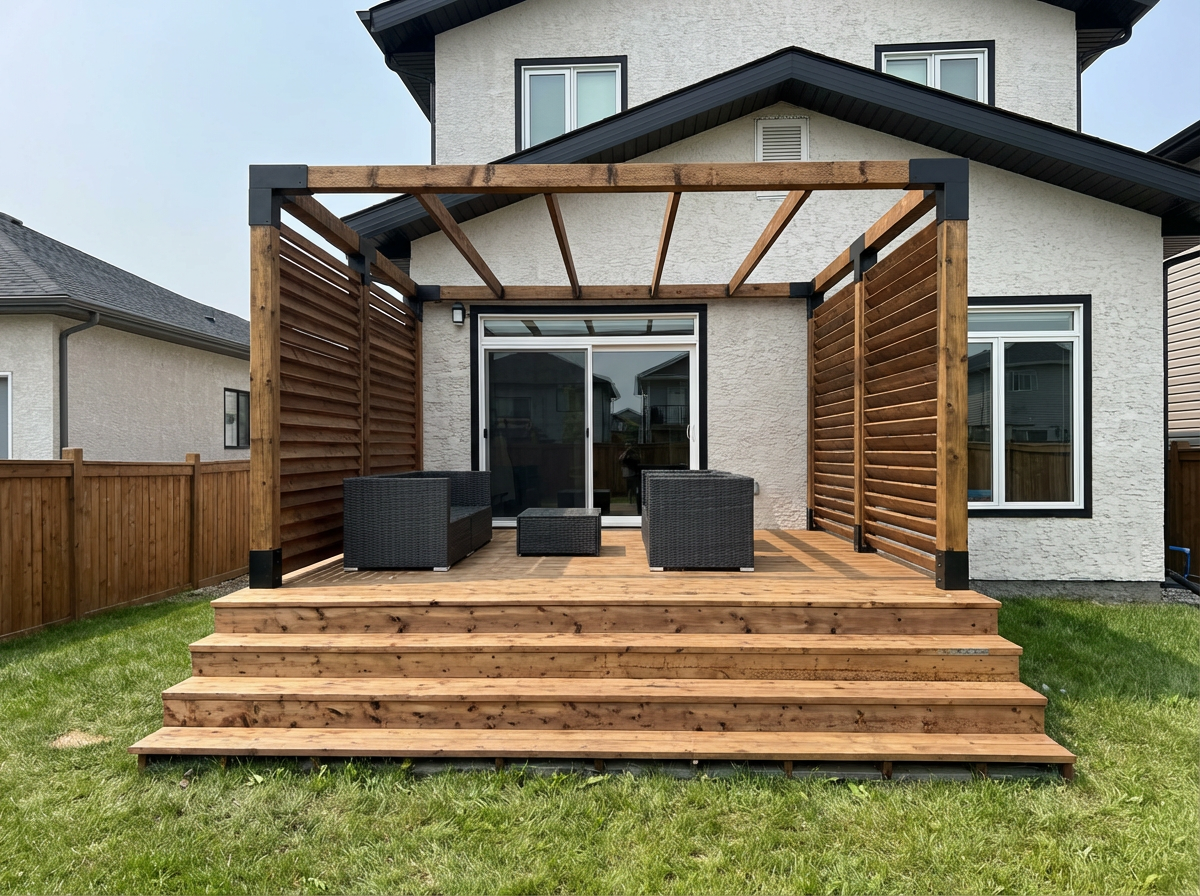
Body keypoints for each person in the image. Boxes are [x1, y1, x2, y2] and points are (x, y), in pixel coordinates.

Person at [618, 446, 642, 515]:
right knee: (634, 490)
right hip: (632, 476)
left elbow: (621, 459)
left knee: (636, 491)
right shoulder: (628, 460)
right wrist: (627, 451)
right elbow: (621, 459)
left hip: (635, 476)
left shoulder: (634, 460)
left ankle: (637, 505)